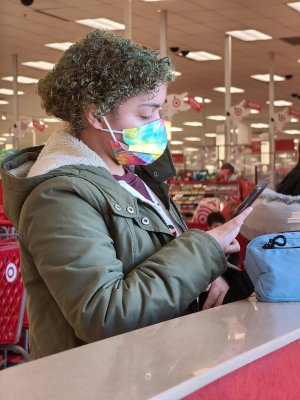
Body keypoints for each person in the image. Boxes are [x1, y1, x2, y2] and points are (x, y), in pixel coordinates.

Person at [0, 29, 252, 360]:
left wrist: (210, 272)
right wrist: (204, 248)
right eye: (146, 114)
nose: (157, 123)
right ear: (95, 114)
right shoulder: (58, 197)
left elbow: (158, 258)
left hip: (150, 365)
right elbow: (104, 315)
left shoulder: (134, 174)